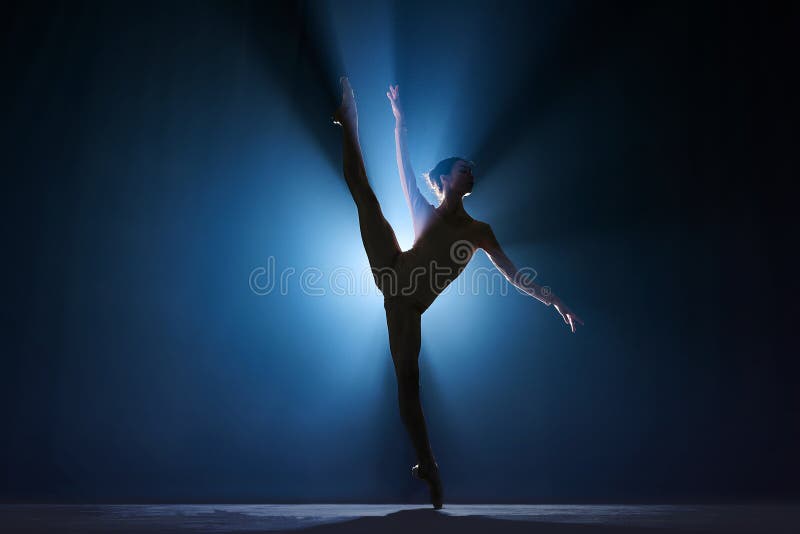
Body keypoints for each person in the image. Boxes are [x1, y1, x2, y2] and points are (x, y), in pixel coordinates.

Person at [332, 77, 583, 509]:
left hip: (407, 307)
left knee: (409, 386)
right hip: (392, 266)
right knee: (364, 195)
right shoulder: (424, 211)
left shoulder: (479, 231)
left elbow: (513, 275)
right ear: (446, 179)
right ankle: (349, 120)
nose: (472, 170)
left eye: (472, 167)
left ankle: (428, 464)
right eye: (464, 166)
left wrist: (553, 300)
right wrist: (399, 122)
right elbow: (403, 167)